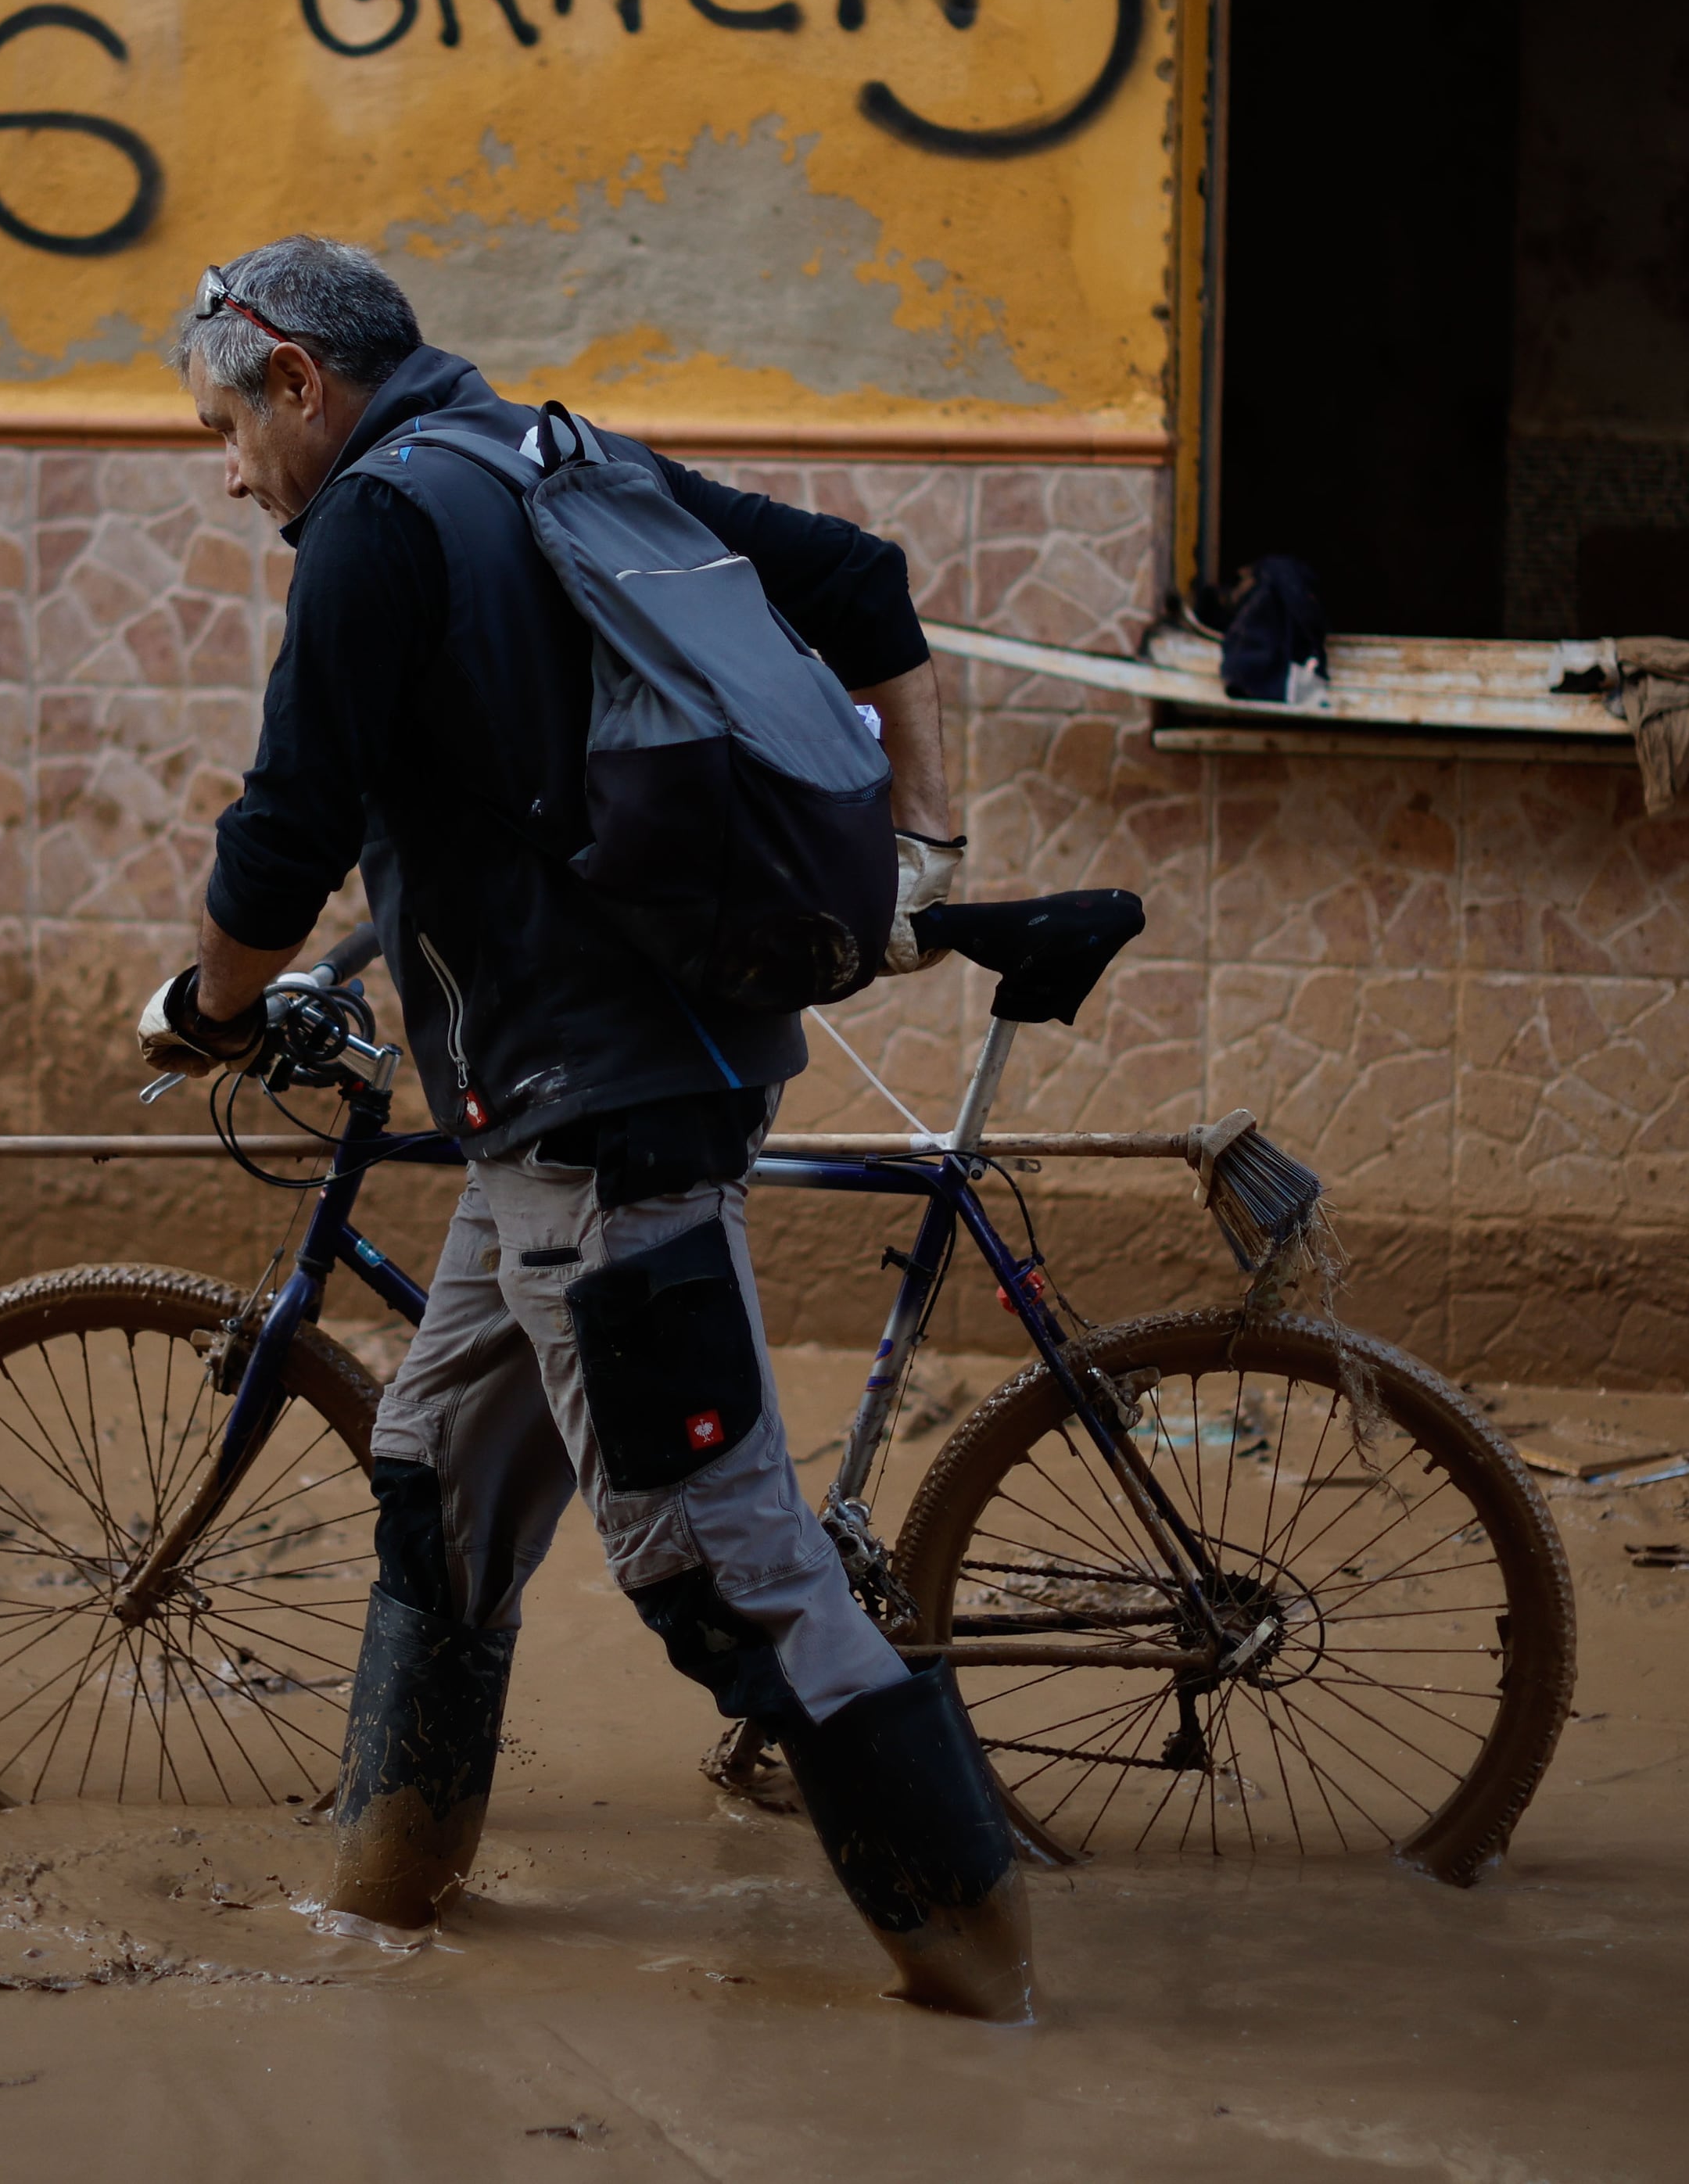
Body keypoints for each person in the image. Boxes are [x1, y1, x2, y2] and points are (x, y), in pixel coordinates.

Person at [130, 235, 1030, 2020]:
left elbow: (285, 822)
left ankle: (979, 1962)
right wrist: (927, 854)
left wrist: (212, 1005)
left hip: (588, 1109)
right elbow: (860, 579)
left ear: (298, 381)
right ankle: (389, 1883)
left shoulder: (379, 525)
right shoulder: (547, 453)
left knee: (720, 1560)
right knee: (438, 1463)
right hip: (604, 1083)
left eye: (226, 426)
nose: (228, 471)